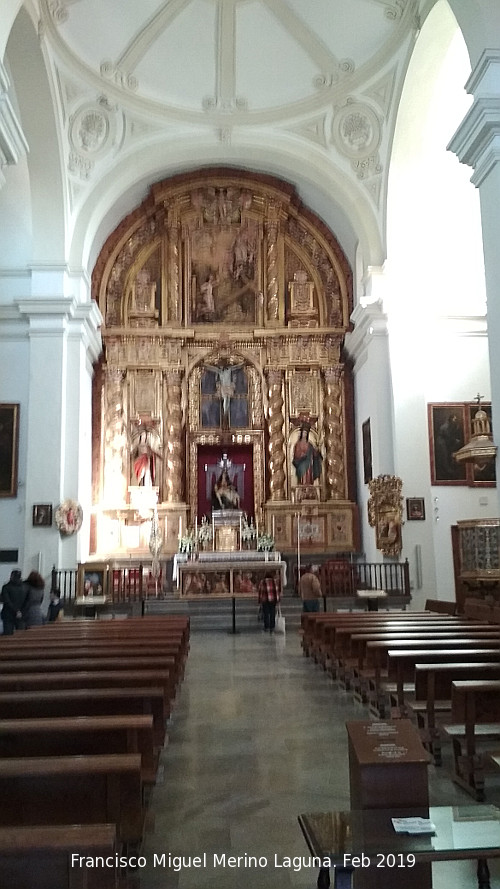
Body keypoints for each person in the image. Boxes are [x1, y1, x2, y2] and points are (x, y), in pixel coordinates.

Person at [1, 569, 29, 635]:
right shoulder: (25, 587)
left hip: (8, 615)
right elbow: (27, 602)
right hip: (21, 615)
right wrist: (20, 611)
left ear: (11, 576)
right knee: (20, 636)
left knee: (8, 636)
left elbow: (7, 601)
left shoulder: (6, 587)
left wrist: (16, 611)